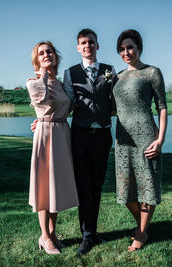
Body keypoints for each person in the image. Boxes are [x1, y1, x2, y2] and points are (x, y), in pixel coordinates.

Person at [112, 29, 168, 252]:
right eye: (122, 49)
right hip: (123, 139)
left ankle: (142, 233)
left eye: (130, 47)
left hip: (146, 136)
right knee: (126, 193)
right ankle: (141, 226)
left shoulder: (152, 72)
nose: (127, 52)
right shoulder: (117, 77)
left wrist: (160, 139)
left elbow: (162, 107)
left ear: (139, 47)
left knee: (147, 187)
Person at [63, 28, 116, 255]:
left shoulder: (109, 71)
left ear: (97, 45)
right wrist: (42, 120)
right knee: (83, 186)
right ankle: (86, 236)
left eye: (91, 42)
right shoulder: (70, 73)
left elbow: (116, 100)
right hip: (81, 136)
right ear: (78, 47)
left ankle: (93, 232)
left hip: (103, 136)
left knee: (97, 185)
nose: (88, 46)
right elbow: (65, 104)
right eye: (83, 43)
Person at [26, 41, 79, 255]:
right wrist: (43, 73)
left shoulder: (61, 83)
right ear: (36, 59)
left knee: (55, 187)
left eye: (49, 51)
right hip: (45, 135)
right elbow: (41, 99)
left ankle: (52, 232)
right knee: (43, 187)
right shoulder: (34, 81)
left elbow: (69, 105)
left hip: (62, 133)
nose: (46, 54)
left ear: (56, 56)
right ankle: (45, 237)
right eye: (41, 53)